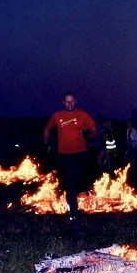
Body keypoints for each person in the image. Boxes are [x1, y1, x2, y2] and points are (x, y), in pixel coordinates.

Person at [43, 92, 97, 225]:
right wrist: (46, 143)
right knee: (70, 184)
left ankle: (80, 202)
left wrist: (88, 135)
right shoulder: (57, 116)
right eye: (67, 101)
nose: (70, 104)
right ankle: (73, 214)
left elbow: (95, 132)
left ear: (75, 101)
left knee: (80, 183)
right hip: (65, 156)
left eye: (72, 101)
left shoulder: (82, 114)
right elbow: (47, 128)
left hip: (81, 155)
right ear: (63, 102)